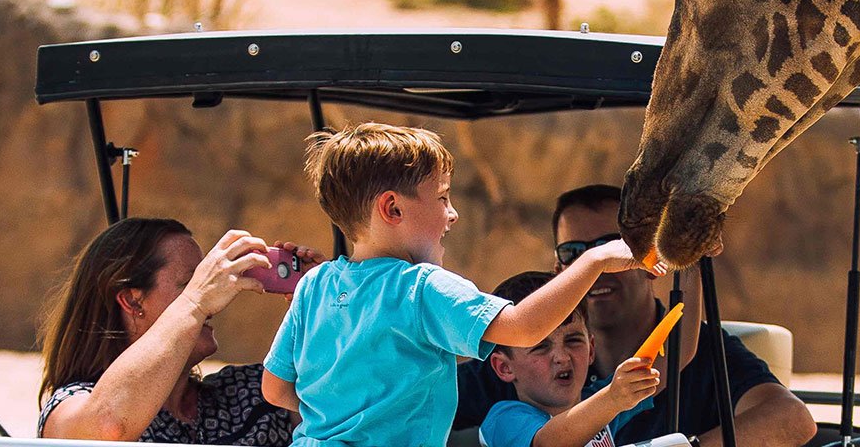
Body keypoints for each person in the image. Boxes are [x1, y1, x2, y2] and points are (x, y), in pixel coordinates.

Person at [260, 122, 641, 447]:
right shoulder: (422, 288)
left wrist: (343, 411)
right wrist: (596, 260)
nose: (453, 214)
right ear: (392, 209)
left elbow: (275, 389)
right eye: (443, 198)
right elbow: (524, 329)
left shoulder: (314, 284)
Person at [457, 185, 817, 447]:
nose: (561, 355)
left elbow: (675, 360)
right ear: (560, 272)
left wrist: (689, 259)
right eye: (576, 255)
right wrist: (614, 397)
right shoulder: (507, 412)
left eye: (612, 250)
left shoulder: (598, 395)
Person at [37, 217, 325, 445]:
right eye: (192, 281)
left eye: (206, 279)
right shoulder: (72, 404)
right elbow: (108, 427)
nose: (214, 297)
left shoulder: (252, 394)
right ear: (132, 300)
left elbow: (349, 402)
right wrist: (195, 301)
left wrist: (329, 307)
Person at [479, 271, 659, 447]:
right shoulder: (503, 420)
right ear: (504, 367)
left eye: (573, 340)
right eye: (540, 347)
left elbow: (670, 362)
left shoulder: (601, 399)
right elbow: (548, 443)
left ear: (591, 349)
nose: (562, 357)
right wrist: (612, 399)